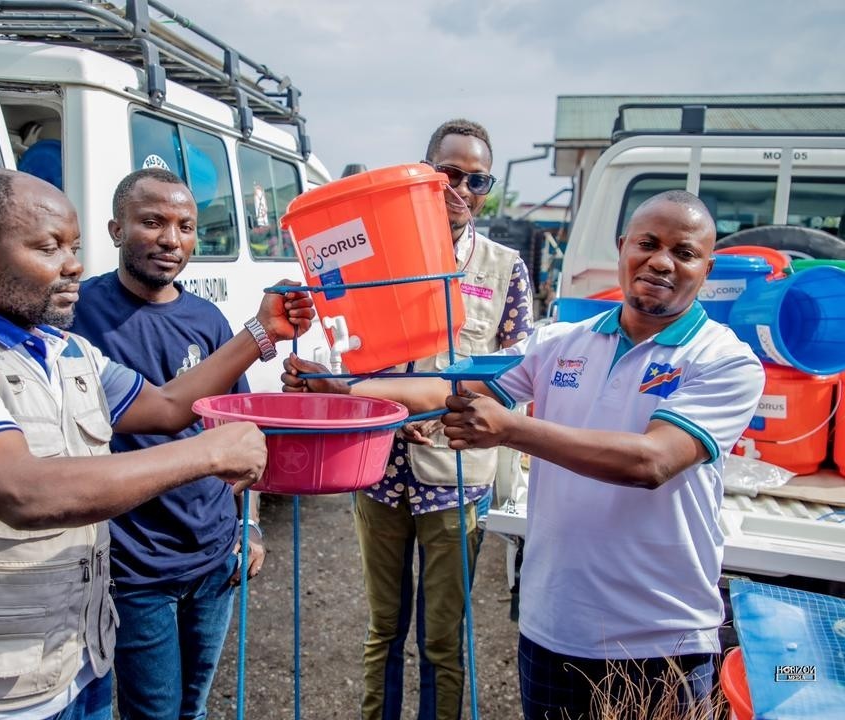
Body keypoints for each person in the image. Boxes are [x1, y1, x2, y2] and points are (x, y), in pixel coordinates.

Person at [0, 168, 313, 720]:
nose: (73, 265)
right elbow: (23, 492)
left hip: (76, 663)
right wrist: (210, 453)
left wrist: (261, 334)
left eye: (74, 246)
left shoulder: (65, 352)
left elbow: (166, 408)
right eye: (48, 248)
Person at [285, 190, 765, 719]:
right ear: (622, 246)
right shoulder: (559, 342)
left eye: (684, 252)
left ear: (706, 266)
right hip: (553, 628)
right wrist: (341, 389)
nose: (661, 261)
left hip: (659, 639)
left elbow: (651, 461)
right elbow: (449, 389)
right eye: (648, 244)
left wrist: (513, 429)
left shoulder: (725, 360)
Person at [351, 119, 534, 720]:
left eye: (476, 179)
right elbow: (351, 352)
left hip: (457, 478)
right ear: (424, 173)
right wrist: (379, 407)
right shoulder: (379, 256)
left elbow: (513, 376)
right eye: (448, 174)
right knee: (383, 631)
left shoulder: (505, 269)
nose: (461, 189)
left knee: (441, 640)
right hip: (378, 470)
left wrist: (436, 410)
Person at [71, 167, 265, 720]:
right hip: (133, 568)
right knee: (150, 713)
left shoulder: (207, 320)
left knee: (193, 709)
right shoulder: (78, 315)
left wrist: (249, 525)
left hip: (212, 559)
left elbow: (239, 430)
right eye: (152, 221)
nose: (170, 239)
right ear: (115, 229)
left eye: (184, 225)